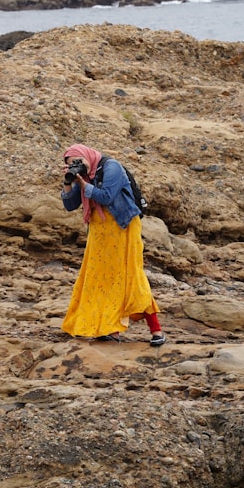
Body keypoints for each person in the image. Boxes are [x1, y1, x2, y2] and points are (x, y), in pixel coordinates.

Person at [60, 144, 166, 346]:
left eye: (78, 161)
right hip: (99, 232)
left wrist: (83, 184)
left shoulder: (112, 167)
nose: (77, 165)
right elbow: (69, 205)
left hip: (123, 226)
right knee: (101, 280)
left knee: (130, 276)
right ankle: (111, 329)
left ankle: (156, 330)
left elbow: (106, 196)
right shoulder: (85, 175)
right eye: (71, 164)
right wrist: (68, 183)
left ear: (87, 156)